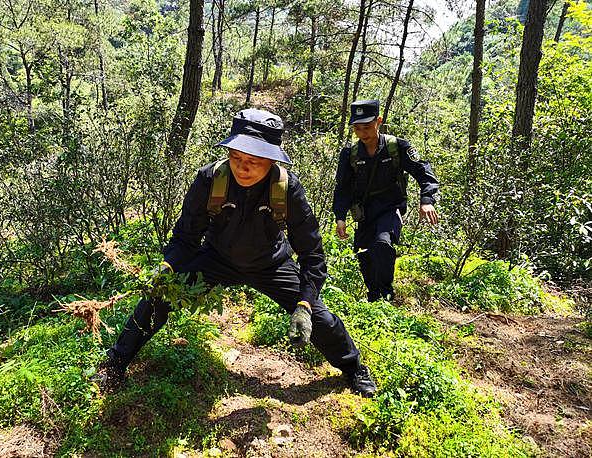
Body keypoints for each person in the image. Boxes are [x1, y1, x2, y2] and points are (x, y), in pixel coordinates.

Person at [95, 108, 377, 397]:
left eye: (253, 161)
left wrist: (304, 305)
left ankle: (354, 368)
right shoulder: (210, 179)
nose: (243, 168)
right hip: (217, 259)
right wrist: (167, 267)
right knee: (158, 297)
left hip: (271, 264)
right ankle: (115, 364)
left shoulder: (287, 189)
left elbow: (312, 254)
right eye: (236, 157)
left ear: (271, 160)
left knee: (321, 319)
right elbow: (186, 236)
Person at [332, 99, 439, 302]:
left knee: (383, 244)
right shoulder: (350, 155)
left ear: (379, 121)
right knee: (364, 255)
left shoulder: (397, 147)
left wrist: (426, 200)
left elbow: (424, 172)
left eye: (367, 126)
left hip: (391, 208)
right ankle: (374, 297)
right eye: (357, 128)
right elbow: (343, 188)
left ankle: (386, 293)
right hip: (364, 213)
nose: (362, 132)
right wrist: (340, 216)